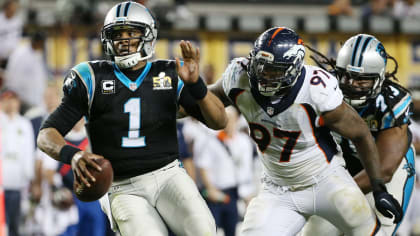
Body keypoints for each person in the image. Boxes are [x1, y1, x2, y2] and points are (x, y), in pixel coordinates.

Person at [37, 2, 227, 236]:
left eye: (132, 33)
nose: (124, 40)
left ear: (148, 35)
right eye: (117, 34)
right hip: (121, 186)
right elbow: (46, 134)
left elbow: (219, 121)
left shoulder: (168, 73)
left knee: (203, 230)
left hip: (168, 175)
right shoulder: (91, 78)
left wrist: (196, 84)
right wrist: (73, 155)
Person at [208, 27, 402, 236]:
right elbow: (206, 100)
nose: (265, 75)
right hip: (277, 188)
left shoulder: (315, 88)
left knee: (370, 232)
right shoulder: (239, 76)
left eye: (274, 70)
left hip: (326, 180)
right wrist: (188, 89)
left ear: (293, 68)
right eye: (261, 66)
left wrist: (379, 188)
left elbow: (361, 133)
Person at [301, 34, 416, 236]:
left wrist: (329, 194)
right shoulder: (323, 88)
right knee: (316, 232)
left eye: (362, 79)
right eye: (346, 76)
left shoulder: (391, 103)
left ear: (379, 77)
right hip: (340, 169)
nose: (352, 84)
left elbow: (384, 168)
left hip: (384, 176)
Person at [194, 107, 255, 236]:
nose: (229, 122)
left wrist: (248, 194)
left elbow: (246, 168)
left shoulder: (244, 141)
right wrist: (210, 189)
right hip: (215, 194)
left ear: (237, 120)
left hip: (234, 193)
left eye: (231, 119)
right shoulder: (211, 140)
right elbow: (203, 166)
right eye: (226, 119)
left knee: (232, 229)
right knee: (209, 230)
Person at [0, 90, 35, 236]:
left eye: (13, 100)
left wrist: (30, 177)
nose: (10, 103)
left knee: (15, 223)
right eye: (6, 100)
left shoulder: (24, 124)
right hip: (2, 177)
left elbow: (29, 152)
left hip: (17, 180)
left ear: (18, 102)